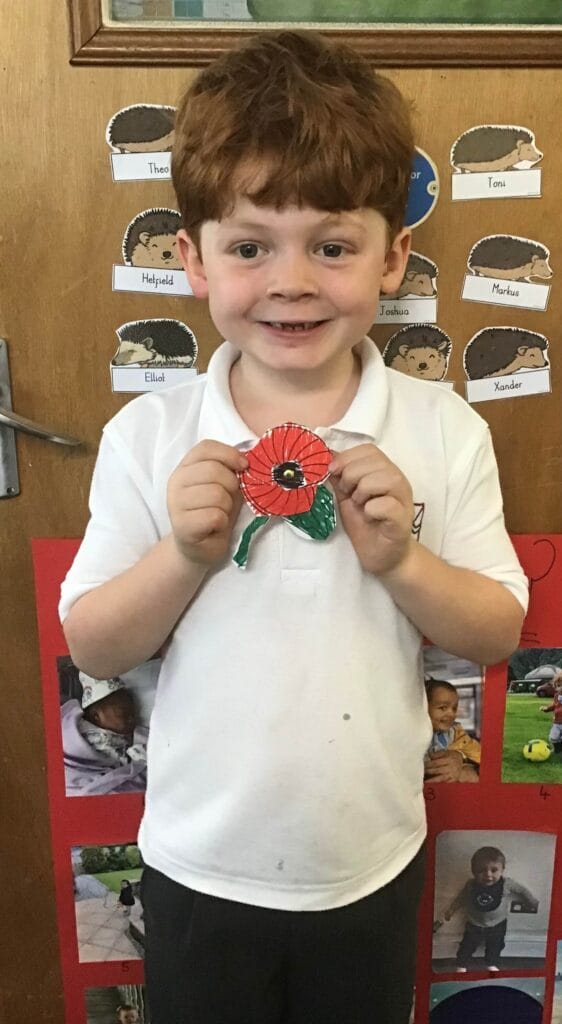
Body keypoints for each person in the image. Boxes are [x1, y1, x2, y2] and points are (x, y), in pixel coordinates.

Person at [59, 30, 527, 1024]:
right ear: (192, 259)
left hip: (369, 864)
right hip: (197, 865)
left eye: (331, 244)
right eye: (248, 246)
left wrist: (401, 559)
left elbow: (494, 632)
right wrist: (182, 554)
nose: (291, 281)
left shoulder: (442, 428)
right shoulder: (149, 434)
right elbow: (92, 640)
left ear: (392, 256)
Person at [433, 845, 539, 972]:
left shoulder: (506, 883)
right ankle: (461, 964)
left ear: (502, 870)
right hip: (474, 924)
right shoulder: (471, 885)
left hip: (498, 924)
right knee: (467, 945)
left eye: (494, 870)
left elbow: (522, 890)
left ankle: (491, 963)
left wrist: (532, 901)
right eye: (481, 870)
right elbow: (461, 898)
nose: (488, 874)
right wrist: (451, 910)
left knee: (496, 945)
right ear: (473, 871)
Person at [61, 673, 148, 795]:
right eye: (123, 714)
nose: (131, 719)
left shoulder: (109, 729)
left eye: (132, 713)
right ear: (96, 716)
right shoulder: (97, 738)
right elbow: (126, 767)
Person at [424, 678, 481, 782]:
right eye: (442, 708)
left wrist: (461, 756)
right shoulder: (412, 733)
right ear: (424, 707)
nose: (452, 714)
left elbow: (479, 755)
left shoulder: (456, 733)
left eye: (454, 708)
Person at [540, 673, 562, 753]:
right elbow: (554, 705)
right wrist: (546, 709)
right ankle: (557, 749)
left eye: (560, 686)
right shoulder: (556, 696)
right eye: (557, 686)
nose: (558, 688)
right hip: (557, 722)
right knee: (553, 737)